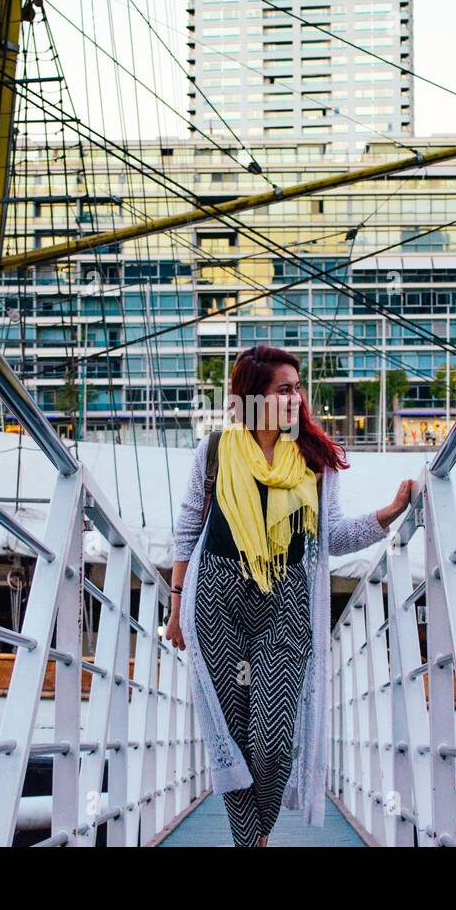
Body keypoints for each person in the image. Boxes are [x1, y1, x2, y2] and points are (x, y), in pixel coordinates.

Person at [166, 345, 414, 846]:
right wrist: (175, 610)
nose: (295, 398)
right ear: (252, 396)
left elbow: (333, 537)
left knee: (272, 743)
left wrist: (387, 514)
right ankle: (253, 842)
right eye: (284, 389)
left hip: (286, 602)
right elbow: (188, 529)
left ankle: (255, 835)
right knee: (231, 738)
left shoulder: (313, 459)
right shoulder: (214, 451)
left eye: (297, 388)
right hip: (215, 599)